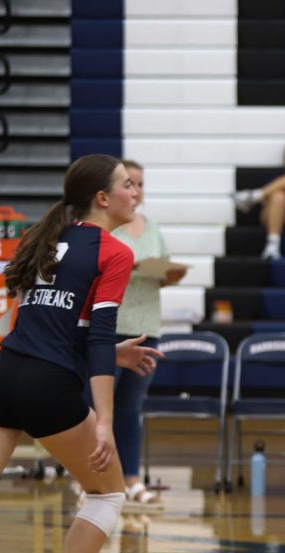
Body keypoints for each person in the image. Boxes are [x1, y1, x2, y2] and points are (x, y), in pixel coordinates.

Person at [0, 154, 162, 553]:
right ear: (102, 198)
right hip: (49, 386)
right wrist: (105, 420)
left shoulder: (44, 237)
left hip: (5, 376)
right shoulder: (113, 251)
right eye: (126, 185)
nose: (134, 192)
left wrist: (112, 353)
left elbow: (55, 327)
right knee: (109, 494)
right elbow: (94, 338)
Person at [109, 159, 185, 509]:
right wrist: (129, 267)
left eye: (140, 184)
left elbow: (165, 266)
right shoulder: (107, 228)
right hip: (109, 328)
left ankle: (132, 479)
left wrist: (168, 273)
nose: (136, 191)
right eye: (129, 184)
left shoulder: (152, 227)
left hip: (146, 328)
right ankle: (94, 480)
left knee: (130, 408)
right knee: (99, 408)